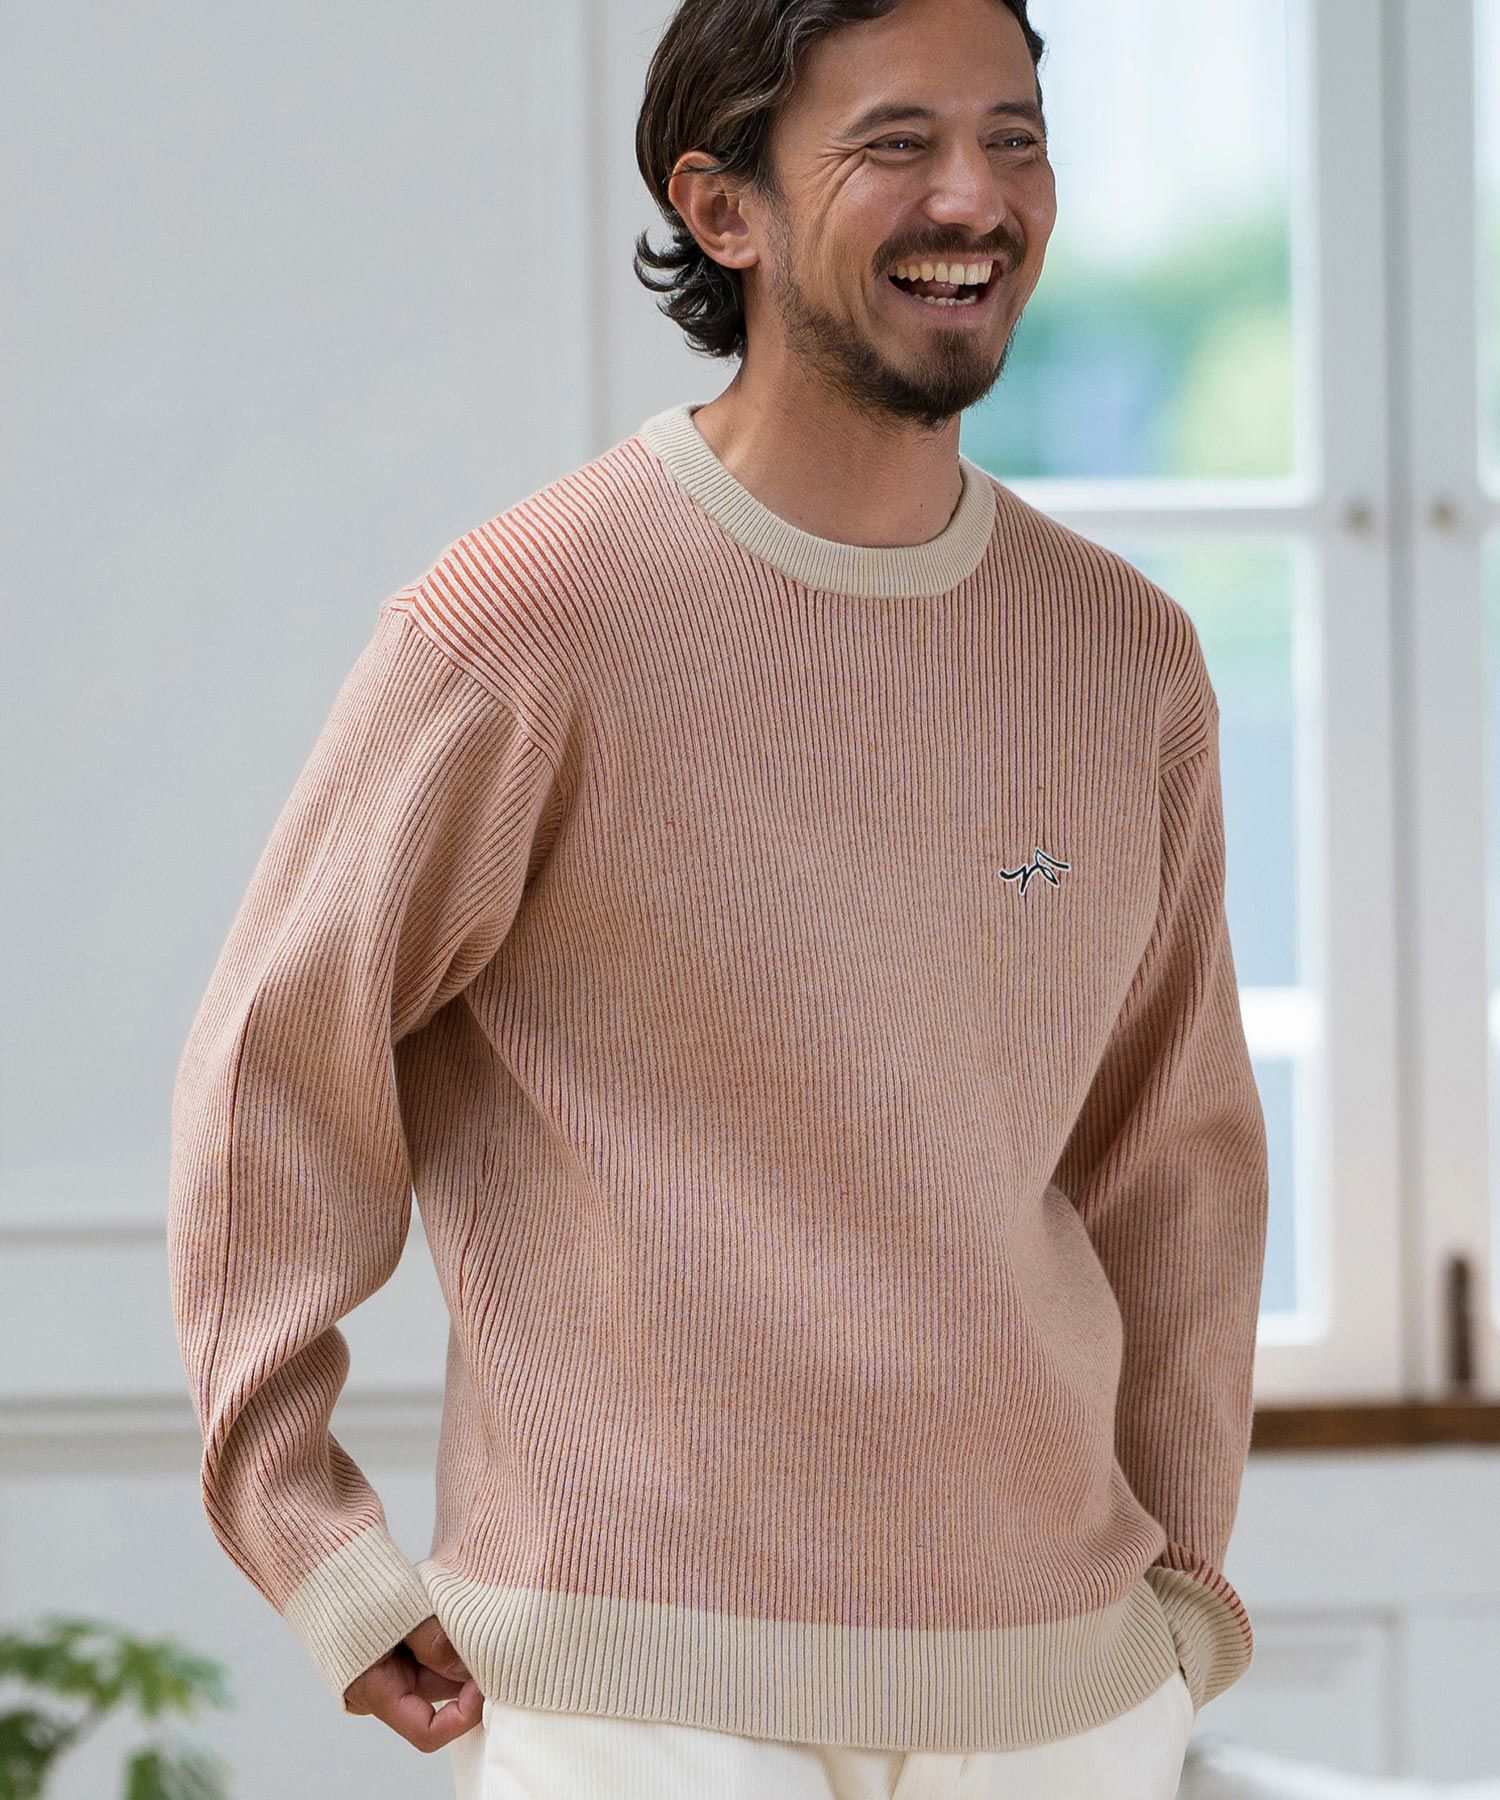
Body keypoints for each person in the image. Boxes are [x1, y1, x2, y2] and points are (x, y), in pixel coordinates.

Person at [165, 0, 1269, 1793]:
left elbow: (1178, 1155)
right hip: (640, 1698)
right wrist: (313, 1541)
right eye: (897, 143)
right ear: (722, 205)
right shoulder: (529, 625)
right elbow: (273, 1079)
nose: (975, 197)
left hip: (1064, 1700)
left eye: (1013, 138)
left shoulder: (1122, 657)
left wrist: (1185, 1594)